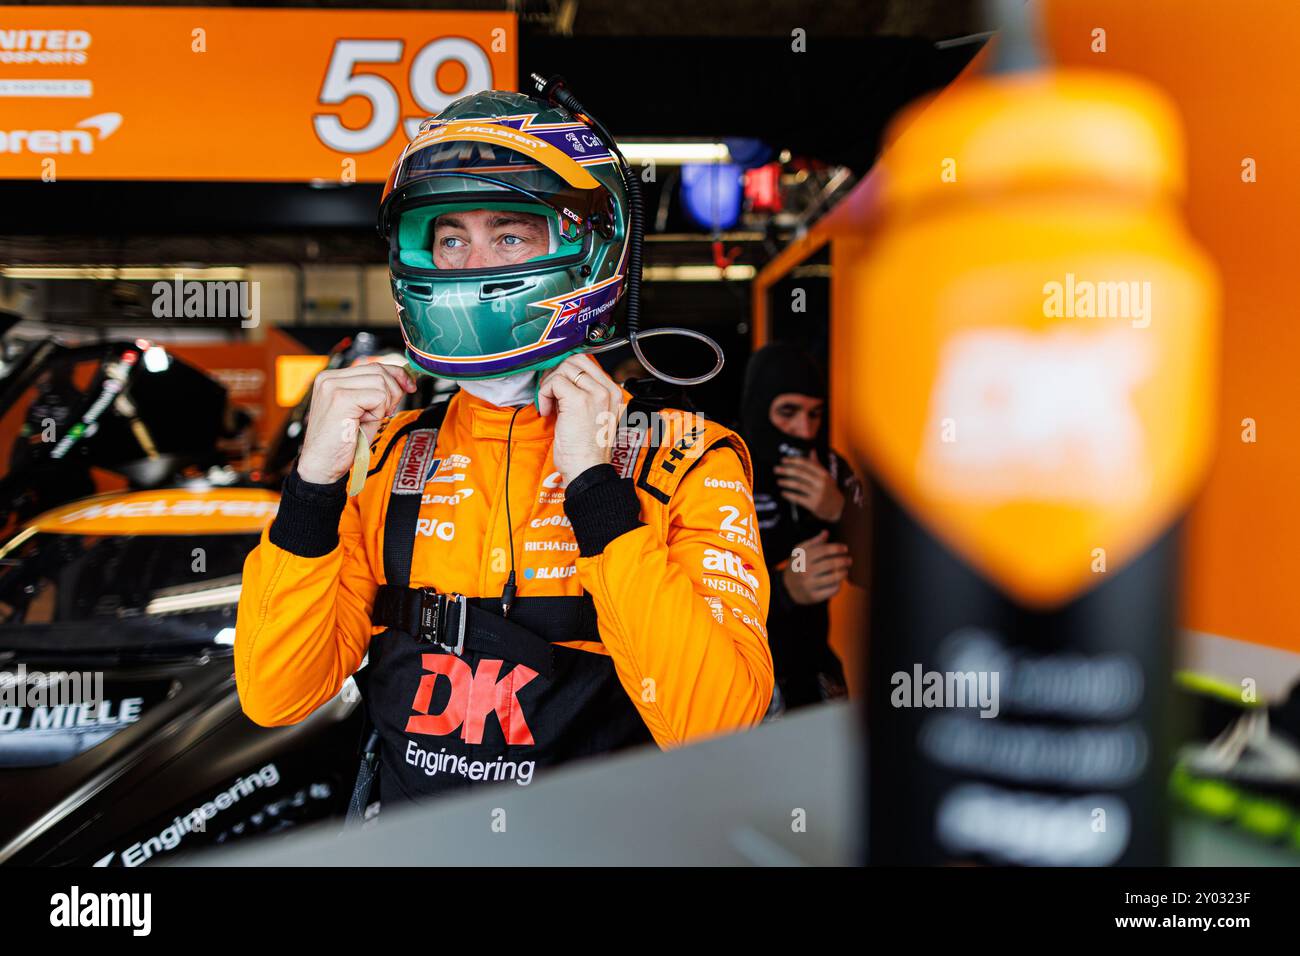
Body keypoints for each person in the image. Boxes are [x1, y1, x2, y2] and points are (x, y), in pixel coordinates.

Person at [234, 88, 773, 807]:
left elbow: (721, 730)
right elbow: (277, 696)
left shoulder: (686, 458)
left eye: (510, 235)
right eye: (450, 238)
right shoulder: (390, 457)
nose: (469, 262)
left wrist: (597, 492)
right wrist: (310, 490)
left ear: (591, 247)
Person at [739, 343, 865, 710]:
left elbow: (881, 572)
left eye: (814, 414)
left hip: (813, 672)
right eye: (788, 412)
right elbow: (693, 594)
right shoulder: (724, 464)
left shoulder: (830, 466)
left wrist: (840, 510)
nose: (803, 428)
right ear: (759, 406)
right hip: (742, 675)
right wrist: (782, 589)